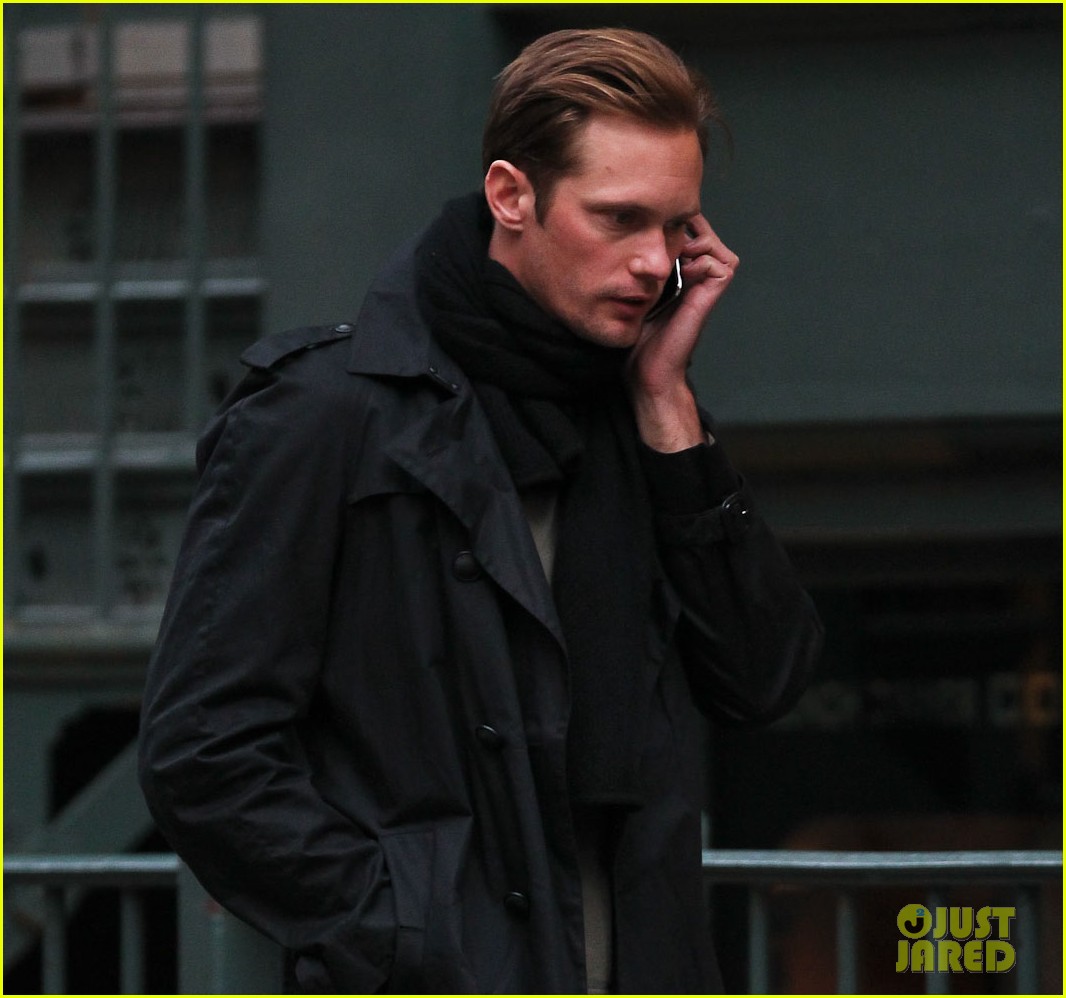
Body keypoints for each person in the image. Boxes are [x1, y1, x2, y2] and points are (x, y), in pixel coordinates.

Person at [139, 27, 823, 995]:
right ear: (511, 195)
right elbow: (203, 750)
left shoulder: (638, 417)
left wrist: (670, 407)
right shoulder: (326, 414)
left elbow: (762, 677)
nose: (653, 262)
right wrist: (406, 930)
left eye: (677, 228)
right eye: (619, 218)